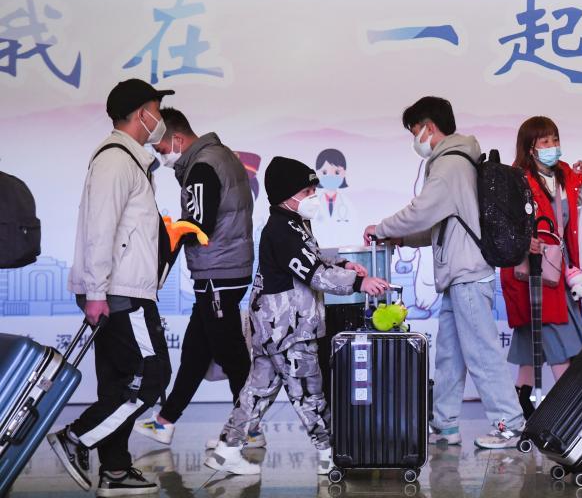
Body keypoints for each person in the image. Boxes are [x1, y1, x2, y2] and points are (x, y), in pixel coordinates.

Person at [205, 157, 389, 476]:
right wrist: (360, 283)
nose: (312, 197)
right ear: (285, 196)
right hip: (288, 329)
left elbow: (312, 258)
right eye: (306, 192)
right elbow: (314, 274)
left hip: (273, 328)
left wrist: (344, 264)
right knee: (308, 391)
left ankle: (226, 451)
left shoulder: (295, 224)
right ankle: (329, 455)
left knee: (257, 392)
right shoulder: (281, 230)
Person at [363, 96, 524, 449]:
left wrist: (382, 227)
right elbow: (441, 225)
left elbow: (421, 211)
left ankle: (510, 424)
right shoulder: (457, 160)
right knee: (450, 355)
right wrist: (401, 237)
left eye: (414, 132)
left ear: (428, 127)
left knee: (481, 353)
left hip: (467, 273)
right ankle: (446, 424)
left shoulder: (449, 164)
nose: (415, 140)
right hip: (458, 273)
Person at [47, 79, 175, 496]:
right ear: (142, 114)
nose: (160, 119)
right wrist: (97, 292)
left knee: (119, 379)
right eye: (157, 110)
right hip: (121, 291)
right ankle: (76, 437)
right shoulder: (116, 160)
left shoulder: (129, 160)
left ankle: (115, 469)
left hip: (122, 287)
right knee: (151, 375)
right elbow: (101, 229)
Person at [133, 107, 262, 449]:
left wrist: (168, 233)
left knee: (231, 353)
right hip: (224, 268)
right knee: (196, 350)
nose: (161, 155)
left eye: (161, 148)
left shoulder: (202, 166)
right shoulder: (220, 155)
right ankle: (165, 421)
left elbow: (199, 225)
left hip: (218, 270)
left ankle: (248, 429)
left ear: (177, 138)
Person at [499, 116, 582, 418]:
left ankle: (519, 404)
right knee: (557, 335)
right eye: (545, 141)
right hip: (532, 271)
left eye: (555, 139)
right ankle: (570, 409)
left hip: (559, 268)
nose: (552, 146)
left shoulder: (566, 174)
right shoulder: (517, 179)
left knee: (532, 341)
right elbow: (503, 223)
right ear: (530, 147)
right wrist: (524, 240)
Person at [310, 148, 361, 248]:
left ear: (344, 173)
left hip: (343, 250)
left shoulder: (348, 203)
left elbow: (354, 228)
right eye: (324, 172)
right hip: (318, 250)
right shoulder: (313, 202)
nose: (330, 177)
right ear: (317, 173)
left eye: (337, 172)